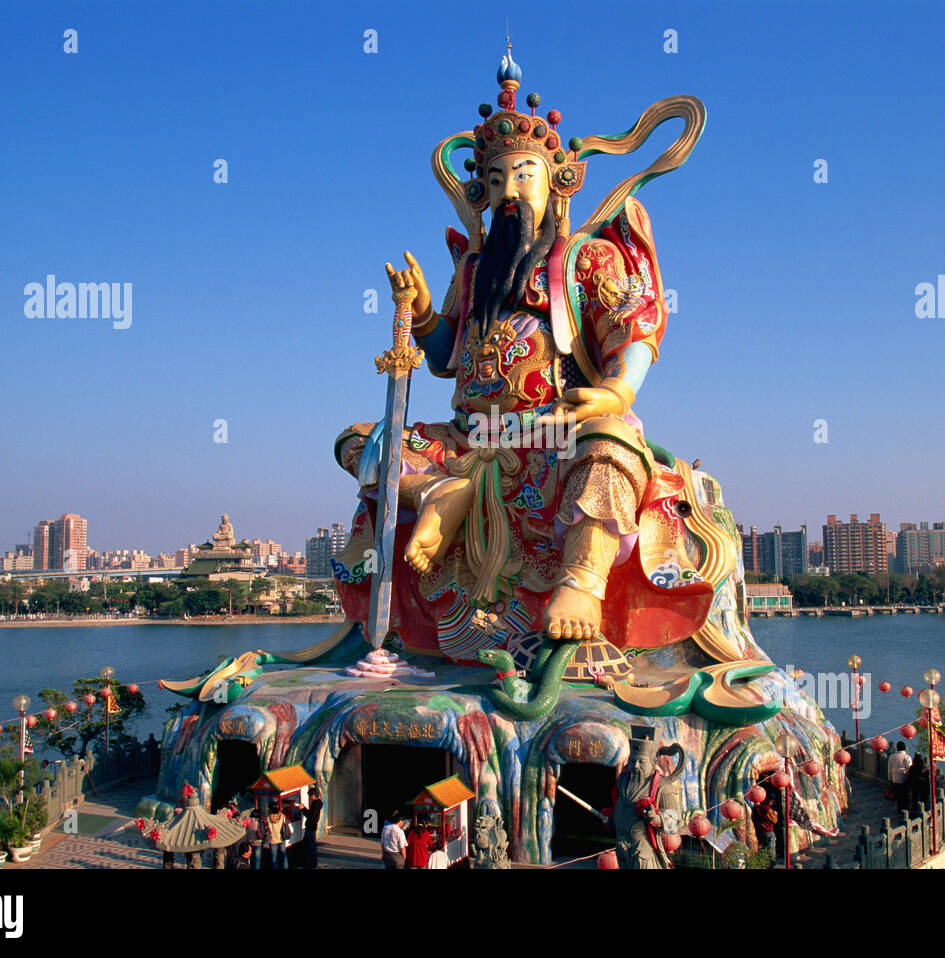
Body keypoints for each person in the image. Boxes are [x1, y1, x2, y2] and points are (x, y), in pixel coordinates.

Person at [332, 48, 714, 667]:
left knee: (611, 446)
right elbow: (444, 360)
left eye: (525, 175)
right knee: (361, 442)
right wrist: (425, 312)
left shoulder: (585, 260)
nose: (512, 193)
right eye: (500, 180)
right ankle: (438, 494)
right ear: (483, 191)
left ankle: (581, 582)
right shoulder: (477, 270)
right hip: (467, 442)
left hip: (550, 437)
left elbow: (632, 331)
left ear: (555, 179)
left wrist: (619, 392)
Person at [888, 740, 913, 817]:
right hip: (904, 779)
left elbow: (889, 768)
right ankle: (905, 810)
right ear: (904, 748)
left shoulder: (892, 756)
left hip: (895, 778)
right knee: (905, 795)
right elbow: (910, 769)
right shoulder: (907, 757)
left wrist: (890, 778)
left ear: (897, 748)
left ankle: (900, 810)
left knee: (898, 795)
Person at [753, 793, 779, 865]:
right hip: (768, 832)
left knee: (762, 849)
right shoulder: (767, 809)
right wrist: (775, 814)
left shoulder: (756, 808)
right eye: (772, 801)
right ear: (769, 800)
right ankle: (771, 864)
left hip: (759, 831)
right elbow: (774, 820)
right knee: (770, 849)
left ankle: (763, 864)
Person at [301, 787, 323, 869]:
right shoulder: (317, 803)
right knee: (306, 845)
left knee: (311, 846)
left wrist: (303, 809)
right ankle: (308, 863)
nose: (309, 797)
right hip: (310, 827)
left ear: (314, 795)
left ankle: (312, 864)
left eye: (310, 796)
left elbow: (311, 816)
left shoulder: (316, 804)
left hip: (311, 827)